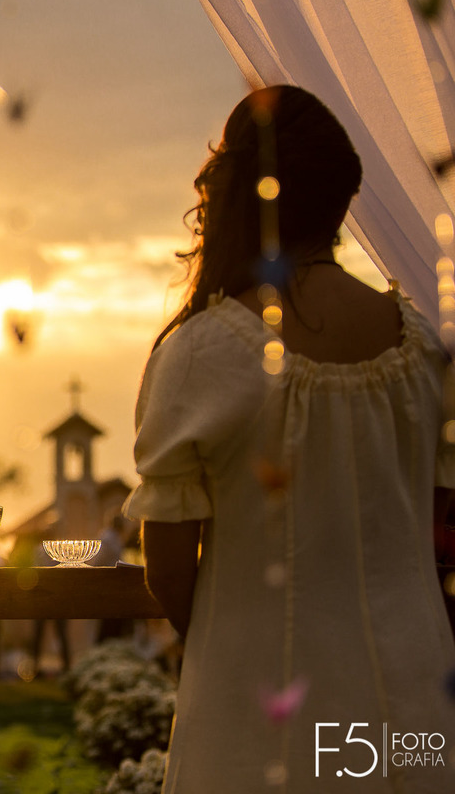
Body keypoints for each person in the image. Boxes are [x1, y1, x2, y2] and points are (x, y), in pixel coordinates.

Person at [124, 85, 455, 792]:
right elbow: (439, 523)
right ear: (342, 198)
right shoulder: (425, 350)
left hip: (261, 707)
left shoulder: (200, 356)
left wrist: (244, 639)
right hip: (415, 699)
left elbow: (170, 570)